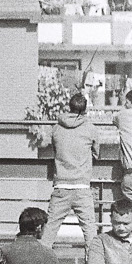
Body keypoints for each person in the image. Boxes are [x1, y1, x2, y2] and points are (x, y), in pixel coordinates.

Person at [44, 91, 101, 251]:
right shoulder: (90, 128)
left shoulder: (56, 128)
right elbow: (97, 153)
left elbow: (54, 150)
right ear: (85, 110)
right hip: (82, 187)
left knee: (50, 230)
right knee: (90, 231)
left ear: (69, 107)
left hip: (61, 186)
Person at [116, 86, 132, 220]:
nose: (126, 105)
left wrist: (121, 104)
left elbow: (115, 118)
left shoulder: (123, 115)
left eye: (127, 102)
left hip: (131, 175)